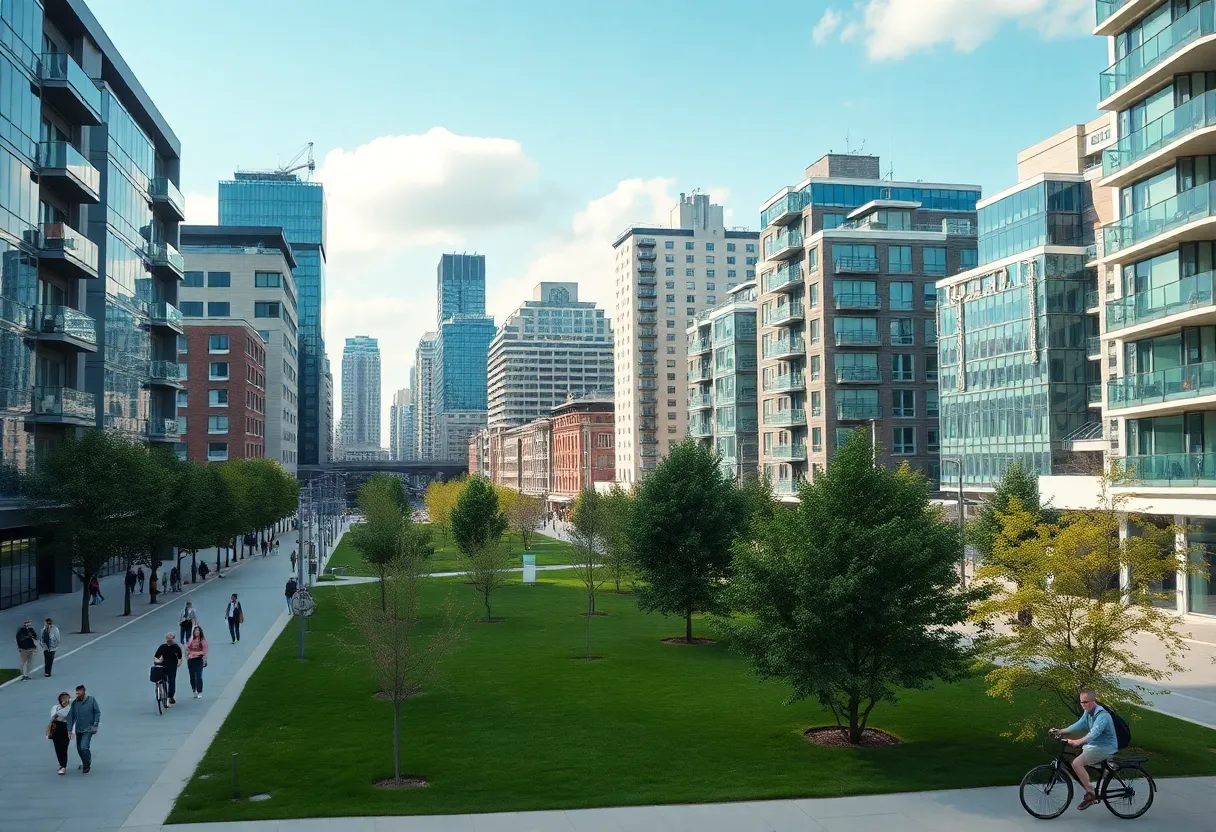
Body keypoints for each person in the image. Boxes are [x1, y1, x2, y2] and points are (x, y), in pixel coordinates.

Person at [1051, 688, 1119, 811]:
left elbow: (1093, 734)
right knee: (1073, 759)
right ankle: (1091, 783)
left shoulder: (1103, 716)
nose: (1083, 705)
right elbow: (1079, 724)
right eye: (1081, 702)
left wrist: (1078, 741)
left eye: (1085, 702)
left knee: (1077, 763)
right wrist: (1062, 731)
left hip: (1105, 748)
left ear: (1093, 701)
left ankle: (1091, 793)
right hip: (1094, 746)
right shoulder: (1088, 712)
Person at [67, 684, 100, 773]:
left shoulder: (91, 700)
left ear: (84, 692)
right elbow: (71, 716)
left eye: (79, 692)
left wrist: (95, 725)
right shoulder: (75, 703)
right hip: (79, 729)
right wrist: (69, 730)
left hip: (88, 729)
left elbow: (97, 712)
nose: (77, 694)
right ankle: (86, 760)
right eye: (76, 692)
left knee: (84, 747)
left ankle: (86, 764)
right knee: (79, 748)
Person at [152, 632, 182, 707]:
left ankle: (170, 696)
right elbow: (156, 656)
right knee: (160, 679)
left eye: (171, 638)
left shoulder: (176, 647)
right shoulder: (162, 647)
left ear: (173, 639)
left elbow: (179, 657)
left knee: (172, 681)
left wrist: (179, 663)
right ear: (166, 639)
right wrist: (157, 661)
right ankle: (160, 692)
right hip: (164, 666)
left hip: (172, 666)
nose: (170, 640)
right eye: (168, 638)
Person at [48, 691, 72, 775]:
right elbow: (53, 716)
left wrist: (64, 708)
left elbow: (64, 714)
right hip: (56, 727)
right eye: (63, 697)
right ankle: (62, 765)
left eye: (66, 697)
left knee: (64, 747)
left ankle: (63, 765)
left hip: (65, 727)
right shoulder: (55, 707)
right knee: (58, 748)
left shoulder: (70, 708)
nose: (64, 699)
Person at [185, 625, 208, 699]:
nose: (196, 632)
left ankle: (200, 691)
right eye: (195, 631)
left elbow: (204, 651)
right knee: (192, 676)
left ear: (200, 632)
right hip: (191, 660)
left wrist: (196, 653)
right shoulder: (192, 639)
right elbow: (187, 648)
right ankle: (193, 689)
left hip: (198, 659)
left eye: (197, 630)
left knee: (199, 676)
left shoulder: (202, 641)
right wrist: (189, 653)